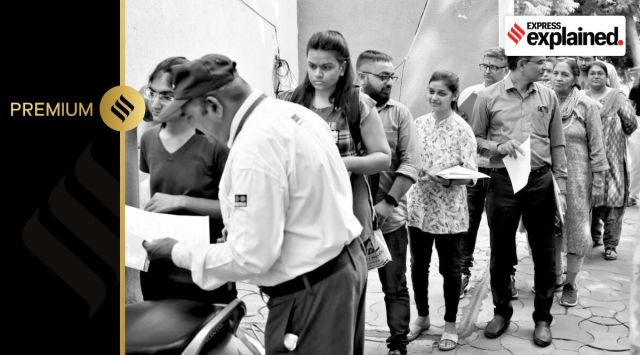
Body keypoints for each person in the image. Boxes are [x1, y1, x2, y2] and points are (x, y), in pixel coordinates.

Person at [142, 54, 368, 355]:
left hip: (312, 290)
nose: (198, 131)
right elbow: (300, 201)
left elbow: (252, 256)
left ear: (213, 106)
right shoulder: (291, 113)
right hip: (341, 267)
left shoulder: (253, 149)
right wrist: (240, 226)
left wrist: (176, 251)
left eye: (193, 118)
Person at [471, 56, 568, 347]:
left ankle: (542, 319)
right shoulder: (488, 96)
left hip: (540, 180)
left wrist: (560, 181)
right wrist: (499, 146)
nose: (546, 67)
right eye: (540, 62)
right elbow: (474, 139)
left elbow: (557, 141)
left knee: (544, 250)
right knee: (501, 250)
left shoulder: (547, 94)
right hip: (503, 180)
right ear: (522, 63)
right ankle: (501, 313)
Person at [138, 56, 236, 303]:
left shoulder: (215, 145)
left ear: (187, 97)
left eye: (166, 96)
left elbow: (235, 210)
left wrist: (182, 201)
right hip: (158, 268)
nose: (156, 104)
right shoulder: (148, 140)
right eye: (153, 93)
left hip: (203, 267)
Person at [284, 30, 391, 243]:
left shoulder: (357, 103)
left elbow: (383, 158)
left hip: (347, 204)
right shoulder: (293, 101)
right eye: (312, 66)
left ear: (342, 68)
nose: (317, 74)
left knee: (346, 270)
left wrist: (344, 163)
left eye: (326, 67)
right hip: (304, 207)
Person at [407, 70, 477, 352]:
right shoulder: (417, 124)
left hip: (449, 210)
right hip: (419, 206)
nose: (434, 97)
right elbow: (408, 158)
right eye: (431, 91)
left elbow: (472, 174)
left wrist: (448, 178)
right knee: (417, 265)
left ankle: (450, 325)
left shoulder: (462, 129)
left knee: (450, 269)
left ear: (453, 96)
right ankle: (422, 316)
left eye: (442, 93)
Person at [356, 50, 419, 355]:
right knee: (349, 289)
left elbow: (410, 164)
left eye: (391, 76)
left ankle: (397, 344)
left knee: (395, 286)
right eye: (382, 76)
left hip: (389, 220)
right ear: (361, 76)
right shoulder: (345, 111)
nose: (389, 82)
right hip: (349, 222)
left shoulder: (400, 114)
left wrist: (388, 203)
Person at [457, 47, 519, 299]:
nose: (488, 71)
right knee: (468, 222)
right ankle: (462, 273)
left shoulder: (512, 97)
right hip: (474, 169)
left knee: (503, 227)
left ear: (506, 69)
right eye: (485, 66)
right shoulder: (469, 93)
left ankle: (507, 275)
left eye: (494, 67)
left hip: (502, 171)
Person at [551, 58, 608, 307]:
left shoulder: (587, 105)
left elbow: (597, 147)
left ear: (575, 78)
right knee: (549, 230)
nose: (558, 78)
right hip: (548, 178)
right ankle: (554, 276)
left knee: (576, 232)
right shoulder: (545, 102)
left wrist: (598, 183)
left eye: (564, 74)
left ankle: (570, 283)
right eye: (555, 73)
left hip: (578, 180)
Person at [585, 61, 638, 260]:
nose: (596, 76)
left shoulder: (617, 97)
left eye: (600, 73)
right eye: (592, 73)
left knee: (613, 201)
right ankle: (594, 237)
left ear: (608, 76)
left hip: (613, 159)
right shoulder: (582, 97)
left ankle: (611, 245)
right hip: (588, 160)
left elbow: (631, 124)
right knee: (590, 200)